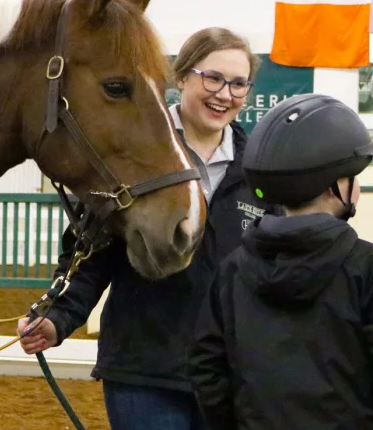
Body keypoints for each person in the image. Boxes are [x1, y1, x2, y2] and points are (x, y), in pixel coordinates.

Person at [17, 27, 281, 430]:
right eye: (212, 78)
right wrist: (57, 317)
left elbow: (277, 268)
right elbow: (88, 256)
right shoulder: (132, 156)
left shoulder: (262, 169)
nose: (224, 94)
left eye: (238, 84)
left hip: (233, 373)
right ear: (181, 76)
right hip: (144, 370)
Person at [188, 93, 373, 430]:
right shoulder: (372, 268)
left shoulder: (233, 269)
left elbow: (208, 367)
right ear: (335, 185)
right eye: (353, 177)